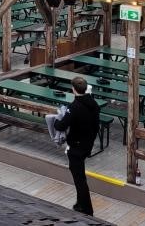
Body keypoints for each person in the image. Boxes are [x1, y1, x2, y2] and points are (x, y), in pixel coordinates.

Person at [52, 76, 100, 216]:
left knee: (79, 179)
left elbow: (62, 125)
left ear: (73, 89)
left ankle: (87, 209)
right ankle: (80, 204)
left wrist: (55, 121)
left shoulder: (74, 107)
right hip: (87, 144)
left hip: (76, 147)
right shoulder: (94, 104)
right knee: (80, 176)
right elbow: (96, 126)